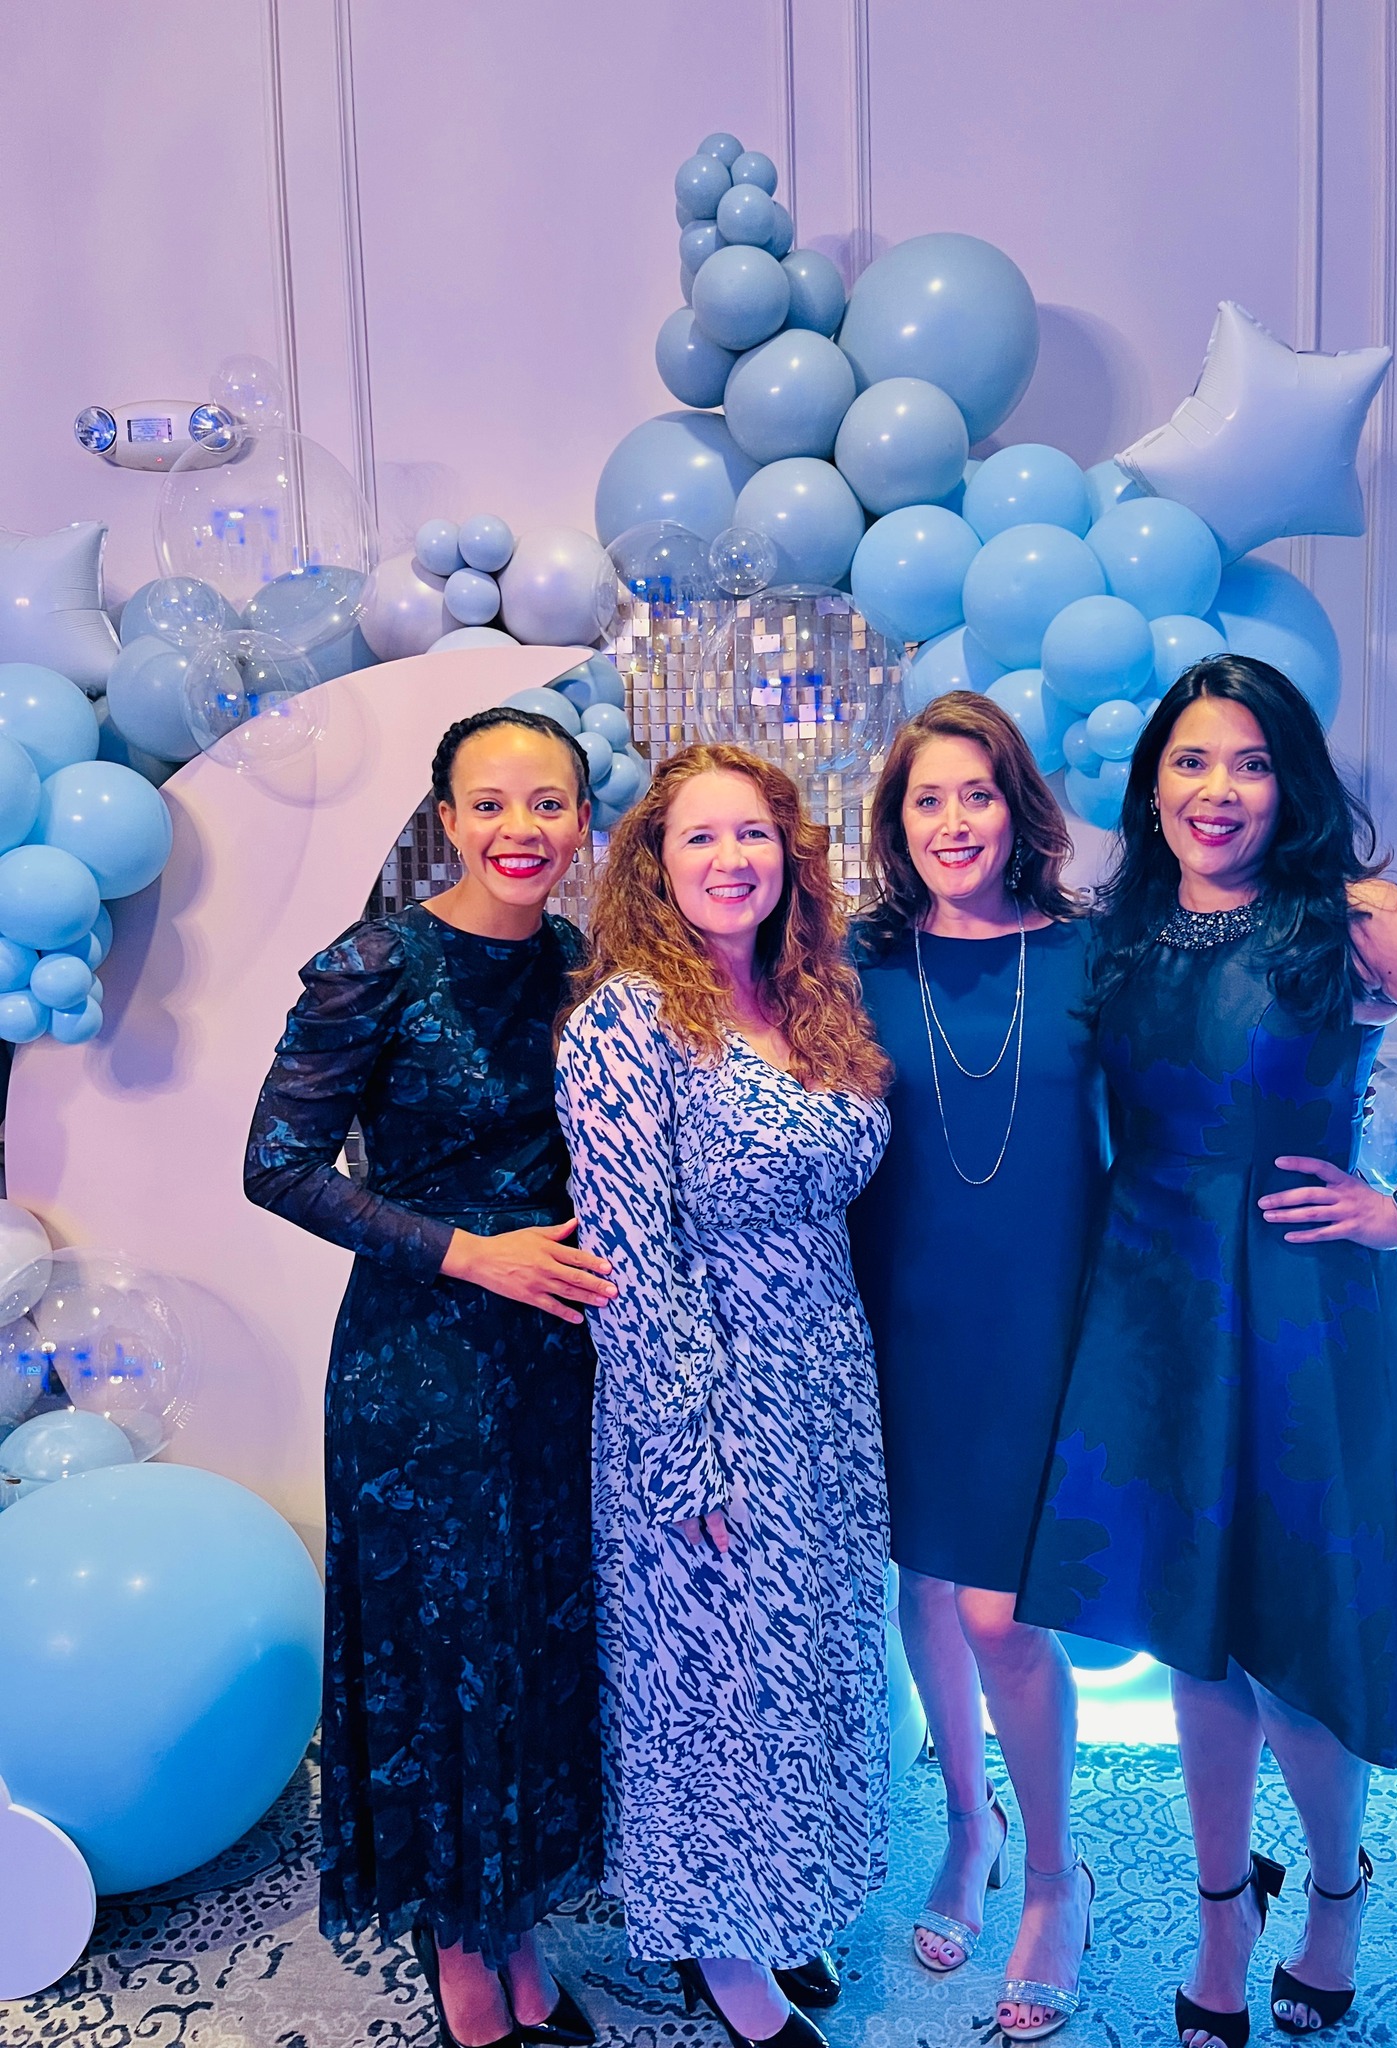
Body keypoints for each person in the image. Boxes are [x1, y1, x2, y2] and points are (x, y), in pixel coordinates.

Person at [1015, 656, 1397, 2048]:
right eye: (1191, 762)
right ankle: (1221, 1917)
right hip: (1154, 1307)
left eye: (1248, 763)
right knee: (1200, 1641)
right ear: (1152, 783)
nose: (1217, 790)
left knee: (1296, 1640)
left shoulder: (1352, 923)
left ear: (1290, 779)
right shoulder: (1117, 926)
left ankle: (1339, 1894)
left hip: (1306, 1313)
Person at [246, 707, 616, 2048]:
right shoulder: (375, 962)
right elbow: (275, 1165)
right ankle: (465, 1948)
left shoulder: (582, 963)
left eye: (550, 804)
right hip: (420, 1371)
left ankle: (514, 1915)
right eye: (493, 803)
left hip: (562, 1362)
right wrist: (467, 1253)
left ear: (582, 820)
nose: (524, 830)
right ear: (448, 819)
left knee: (533, 1646)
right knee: (446, 1651)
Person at [553, 743, 891, 2048]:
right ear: (654, 862)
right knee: (708, 1688)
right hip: (700, 1394)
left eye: (752, 835)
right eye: (700, 838)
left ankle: (778, 1896)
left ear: (787, 854)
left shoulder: (813, 1003)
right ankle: (716, 1952)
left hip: (822, 1378)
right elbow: (629, 1261)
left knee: (801, 1667)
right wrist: (686, 1460)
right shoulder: (624, 1024)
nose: (731, 860)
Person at [847, 693, 1106, 2043]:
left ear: (1020, 808)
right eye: (926, 801)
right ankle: (970, 1824)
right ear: (896, 825)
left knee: (1008, 1616)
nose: (954, 822)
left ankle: (1056, 1880)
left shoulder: (1096, 954)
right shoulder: (850, 962)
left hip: (1047, 1322)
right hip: (891, 1320)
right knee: (926, 1590)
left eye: (978, 794)